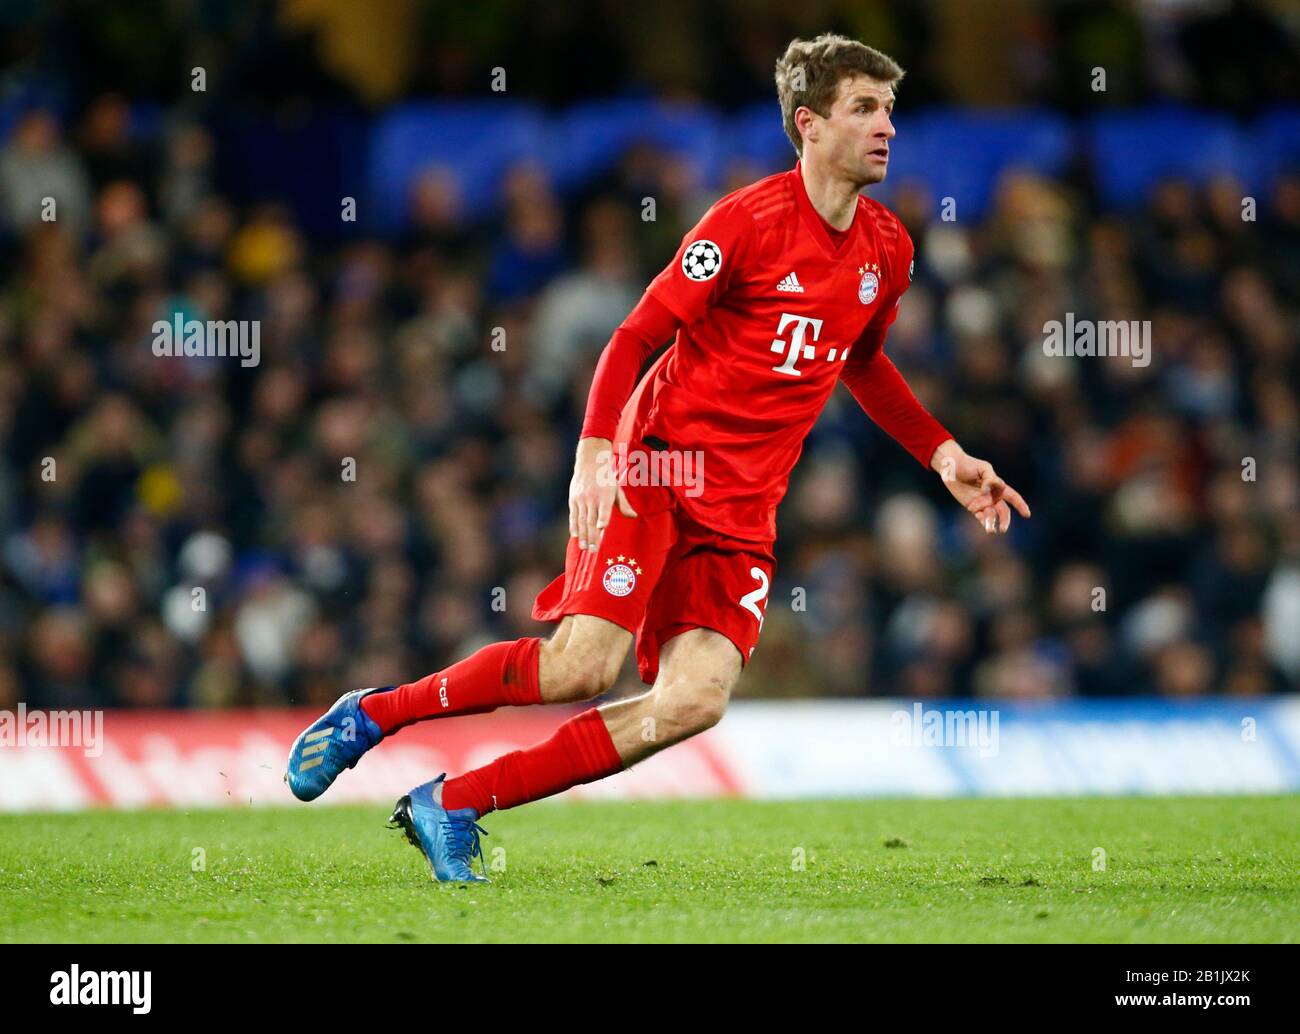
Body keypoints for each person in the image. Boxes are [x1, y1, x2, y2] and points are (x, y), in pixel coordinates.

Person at [285, 32, 1031, 883]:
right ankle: (374, 715)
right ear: (809, 124)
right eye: (864, 108)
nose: (886, 127)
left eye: (890, 110)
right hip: (659, 466)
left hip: (746, 505)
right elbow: (637, 333)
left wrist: (941, 454)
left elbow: (858, 359)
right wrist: (595, 451)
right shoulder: (743, 225)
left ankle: (453, 804)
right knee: (582, 667)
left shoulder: (888, 250)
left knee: (694, 701)